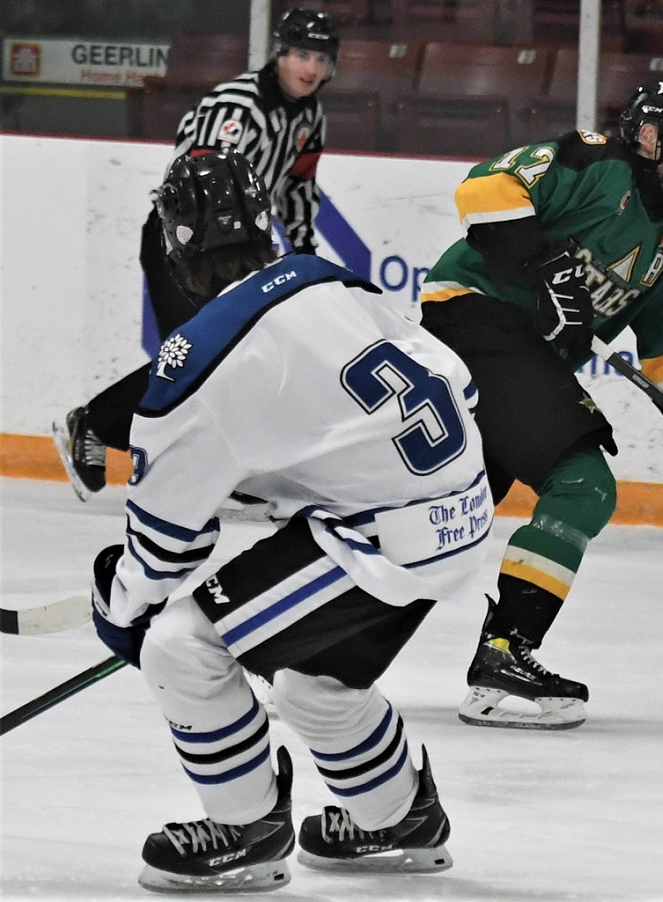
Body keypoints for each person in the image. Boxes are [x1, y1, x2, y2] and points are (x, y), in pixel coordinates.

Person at [89, 151, 494, 891]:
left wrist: (118, 603)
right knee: (315, 682)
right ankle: (397, 817)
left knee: (182, 644)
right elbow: (451, 383)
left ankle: (246, 827)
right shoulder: (326, 278)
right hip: (461, 512)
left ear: (175, 246)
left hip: (378, 538)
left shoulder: (198, 360)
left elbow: (163, 548)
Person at [419, 78, 663, 730]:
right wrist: (546, 267)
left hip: (527, 360)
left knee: (443, 516)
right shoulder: (594, 162)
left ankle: (305, 646)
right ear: (647, 135)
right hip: (473, 319)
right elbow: (485, 187)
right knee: (583, 485)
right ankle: (506, 652)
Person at [54, 8, 339, 501]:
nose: (309, 68)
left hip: (244, 251)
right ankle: (96, 423)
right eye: (300, 55)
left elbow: (297, 188)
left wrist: (303, 258)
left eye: (320, 58)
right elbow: (194, 186)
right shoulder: (237, 107)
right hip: (183, 246)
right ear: (280, 53)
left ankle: (230, 466)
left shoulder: (310, 115)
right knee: (205, 356)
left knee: (240, 357)